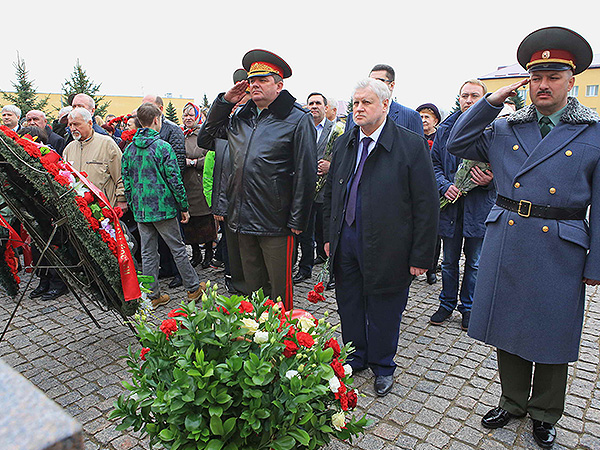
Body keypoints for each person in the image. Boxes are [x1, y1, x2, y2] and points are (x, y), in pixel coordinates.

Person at [446, 26, 598, 449]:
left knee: (552, 332)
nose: (543, 85)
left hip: (562, 244)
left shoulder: (593, 132)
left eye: (553, 77)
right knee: (508, 324)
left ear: (571, 81)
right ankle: (512, 401)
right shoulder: (507, 127)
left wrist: (597, 262)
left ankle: (546, 412)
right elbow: (457, 141)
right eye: (536, 77)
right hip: (510, 236)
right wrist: (490, 102)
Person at [323, 78, 438, 397]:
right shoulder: (345, 143)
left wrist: (421, 256)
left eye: (366, 102)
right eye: (355, 103)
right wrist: (330, 236)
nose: (358, 108)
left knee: (385, 307)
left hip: (389, 244)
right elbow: (332, 193)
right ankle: (355, 356)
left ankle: (383, 365)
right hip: (347, 239)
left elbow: (426, 204)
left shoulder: (410, 144)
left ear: (385, 105)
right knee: (348, 302)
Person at [198, 49, 316, 310]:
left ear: (279, 85)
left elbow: (306, 173)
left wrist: (298, 219)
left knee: (279, 293)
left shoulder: (298, 119)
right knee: (252, 291)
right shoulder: (241, 117)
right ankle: (255, 332)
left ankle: (281, 333)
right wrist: (224, 102)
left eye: (263, 80)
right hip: (241, 218)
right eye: (252, 80)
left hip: (276, 221)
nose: (255, 85)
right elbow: (206, 138)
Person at [121, 102, 204, 308]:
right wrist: (183, 206)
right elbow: (174, 179)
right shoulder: (162, 147)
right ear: (157, 120)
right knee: (177, 248)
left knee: (148, 252)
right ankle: (193, 288)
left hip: (142, 209)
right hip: (163, 208)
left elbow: (127, 182)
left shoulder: (129, 149)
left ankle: (152, 295)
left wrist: (133, 204)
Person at [430, 80, 495, 331]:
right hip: (451, 206)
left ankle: (468, 307)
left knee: (475, 262)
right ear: (458, 99)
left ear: (484, 100)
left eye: (474, 96)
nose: (468, 100)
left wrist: (490, 181)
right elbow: (434, 164)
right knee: (449, 261)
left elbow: (508, 169)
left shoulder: (495, 129)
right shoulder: (445, 128)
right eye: (464, 96)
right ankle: (446, 303)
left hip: (479, 206)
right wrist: (444, 185)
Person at [141, 95, 187, 288]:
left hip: (166, 196)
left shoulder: (172, 130)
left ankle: (180, 274)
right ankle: (166, 268)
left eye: (149, 105)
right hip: (148, 199)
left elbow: (178, 163)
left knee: (175, 240)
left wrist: (176, 197)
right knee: (156, 244)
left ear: (159, 110)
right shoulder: (140, 137)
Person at [293, 92, 334, 284]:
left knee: (327, 231)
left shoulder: (336, 130)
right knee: (305, 232)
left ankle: (331, 268)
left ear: (326, 107)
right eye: (310, 103)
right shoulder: (301, 126)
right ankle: (305, 267)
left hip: (327, 191)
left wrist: (330, 167)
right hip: (306, 190)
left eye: (318, 103)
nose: (314, 106)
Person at [63, 108, 127, 210]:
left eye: (76, 124)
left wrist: (122, 199)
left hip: (104, 210)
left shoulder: (107, 144)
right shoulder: (68, 149)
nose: (73, 128)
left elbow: (121, 175)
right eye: (70, 125)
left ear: (90, 123)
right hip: (78, 210)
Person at [181, 102, 217, 268]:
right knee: (190, 223)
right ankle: (196, 254)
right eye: (185, 115)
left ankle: (209, 253)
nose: (188, 118)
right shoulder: (181, 136)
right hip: (187, 185)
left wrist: (195, 162)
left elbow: (212, 156)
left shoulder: (204, 135)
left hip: (201, 184)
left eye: (191, 115)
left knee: (205, 222)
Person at [345, 64, 423, 135]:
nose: (373, 85)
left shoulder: (410, 116)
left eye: (379, 81)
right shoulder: (353, 117)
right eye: (371, 81)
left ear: (391, 85)